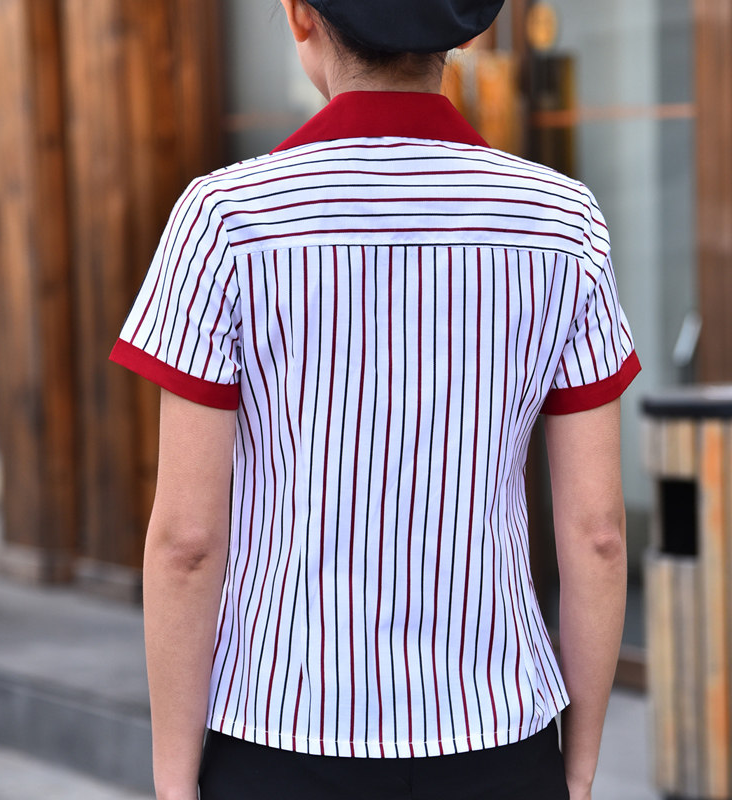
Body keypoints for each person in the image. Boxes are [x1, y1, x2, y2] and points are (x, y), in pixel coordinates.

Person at [110, 1, 640, 798]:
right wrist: (578, 769)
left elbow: (187, 541)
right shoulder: (562, 224)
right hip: (496, 738)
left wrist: (174, 786)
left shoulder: (225, 222)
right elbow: (597, 534)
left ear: (300, 16)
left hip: (280, 736)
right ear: (466, 32)